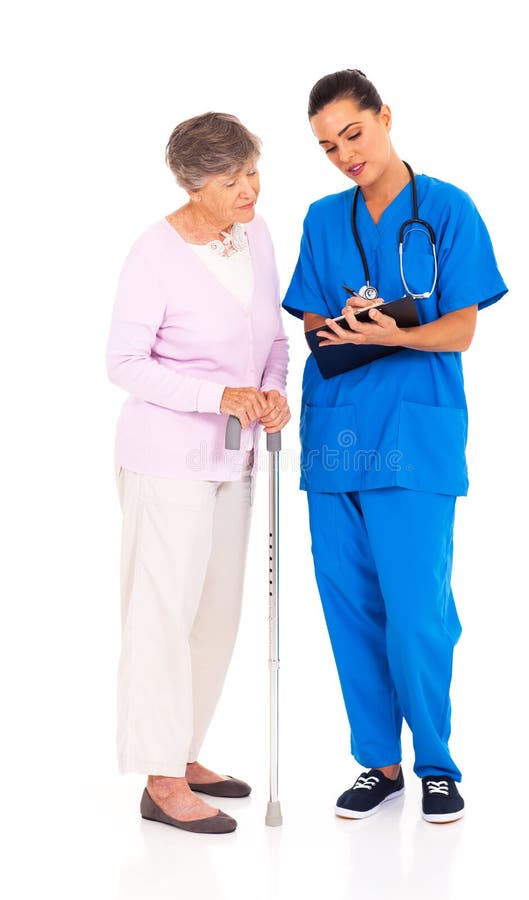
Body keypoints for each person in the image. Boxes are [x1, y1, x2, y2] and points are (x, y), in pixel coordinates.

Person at [282, 69, 507, 823]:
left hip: (414, 434)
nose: (345, 153)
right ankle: (378, 762)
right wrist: (343, 322)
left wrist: (398, 332)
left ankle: (437, 764)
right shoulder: (323, 217)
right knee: (350, 606)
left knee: (417, 611)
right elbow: (311, 325)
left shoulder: (446, 208)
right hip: (338, 432)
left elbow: (464, 328)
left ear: (385, 116)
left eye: (353, 133)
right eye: (327, 146)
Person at [106, 112, 290, 834]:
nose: (251, 188)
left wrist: (273, 390)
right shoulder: (153, 254)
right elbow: (122, 365)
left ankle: (181, 752)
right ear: (192, 183)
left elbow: (272, 337)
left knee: (216, 614)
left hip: (234, 455)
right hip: (165, 461)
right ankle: (158, 780)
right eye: (233, 179)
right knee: (161, 615)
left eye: (252, 170)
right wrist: (218, 396)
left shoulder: (257, 234)